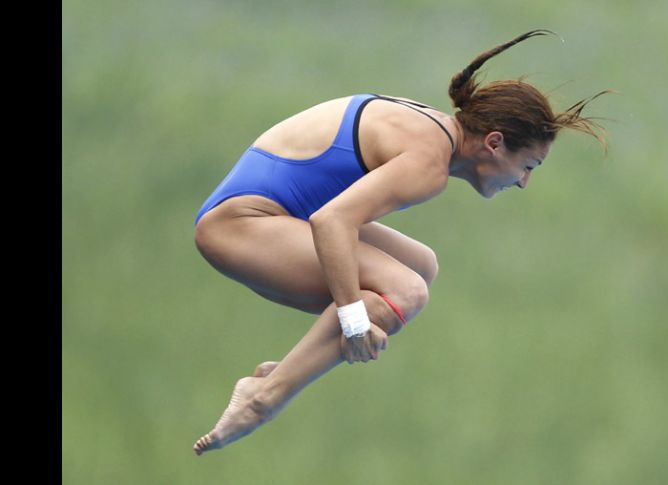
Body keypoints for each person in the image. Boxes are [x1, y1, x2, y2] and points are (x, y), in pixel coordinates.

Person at [192, 29, 610, 455]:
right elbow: (332, 221)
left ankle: (286, 370)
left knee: (421, 265)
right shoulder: (427, 164)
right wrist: (354, 326)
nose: (523, 182)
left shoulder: (433, 130)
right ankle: (265, 398)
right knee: (403, 291)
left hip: (270, 214)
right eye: (528, 165)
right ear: (494, 142)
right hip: (238, 225)